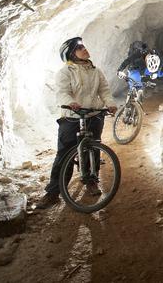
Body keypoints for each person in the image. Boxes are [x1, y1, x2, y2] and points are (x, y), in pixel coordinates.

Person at [35, 37, 117, 209]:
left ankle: (91, 179)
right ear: (71, 53)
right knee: (65, 153)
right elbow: (62, 92)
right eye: (80, 47)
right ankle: (53, 191)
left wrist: (109, 103)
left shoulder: (96, 71)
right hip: (72, 116)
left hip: (93, 115)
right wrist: (71, 102)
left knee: (92, 149)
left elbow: (104, 90)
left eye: (84, 46)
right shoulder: (65, 72)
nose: (84, 49)